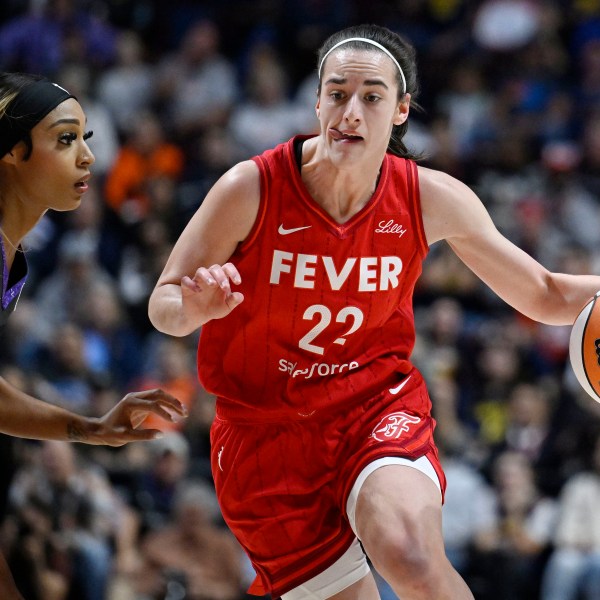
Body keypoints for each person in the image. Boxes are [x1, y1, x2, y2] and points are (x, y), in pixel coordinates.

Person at [148, 24, 600, 600]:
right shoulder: (250, 187)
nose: (350, 113)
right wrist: (192, 308)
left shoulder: (429, 196)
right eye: (336, 94)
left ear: (402, 109)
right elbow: (163, 304)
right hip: (263, 438)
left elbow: (544, 292)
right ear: (316, 101)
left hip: (373, 408)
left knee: (409, 553)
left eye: (371, 96)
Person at [0, 71, 187, 599]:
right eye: (65, 139)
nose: (87, 157)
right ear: (13, 152)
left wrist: (87, 429)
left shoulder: (12, 252)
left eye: (86, 138)